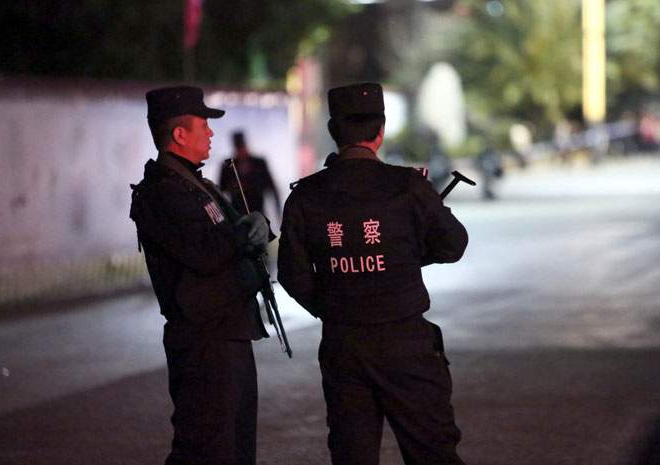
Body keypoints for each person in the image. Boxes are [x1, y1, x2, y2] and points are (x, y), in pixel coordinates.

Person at [277, 82, 469, 465]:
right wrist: (409, 256)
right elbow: (454, 244)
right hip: (406, 344)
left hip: (343, 344)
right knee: (432, 451)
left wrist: (333, 306)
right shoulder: (408, 187)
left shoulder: (306, 196)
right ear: (380, 131)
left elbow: (291, 274)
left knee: (352, 454)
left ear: (334, 133)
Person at [129, 86, 272, 465]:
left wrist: (256, 226)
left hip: (229, 333)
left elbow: (227, 235)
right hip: (203, 341)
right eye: (203, 126)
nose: (211, 134)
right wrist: (244, 232)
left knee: (237, 449)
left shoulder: (198, 184)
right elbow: (204, 252)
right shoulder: (162, 192)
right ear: (179, 134)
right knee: (206, 449)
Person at [219, 130, 281, 218]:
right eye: (239, 148)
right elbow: (221, 190)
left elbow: (272, 187)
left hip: (259, 213)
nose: (241, 151)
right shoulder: (227, 167)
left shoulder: (259, 163)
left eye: (242, 147)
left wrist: (278, 211)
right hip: (238, 216)